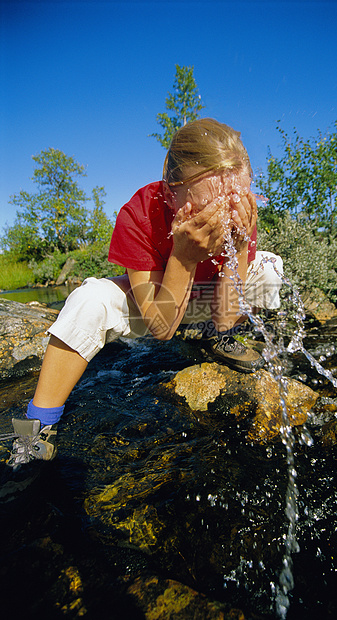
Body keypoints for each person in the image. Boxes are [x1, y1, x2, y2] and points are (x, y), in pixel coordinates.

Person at [0, 118, 283, 497]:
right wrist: (182, 256)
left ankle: (220, 341)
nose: (225, 212)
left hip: (209, 303)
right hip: (159, 303)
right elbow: (160, 329)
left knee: (270, 266)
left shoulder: (239, 211)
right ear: (170, 193)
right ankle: (36, 424)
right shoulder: (140, 213)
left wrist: (240, 247)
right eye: (209, 203)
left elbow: (229, 310)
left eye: (236, 199)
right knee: (88, 299)